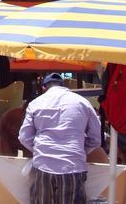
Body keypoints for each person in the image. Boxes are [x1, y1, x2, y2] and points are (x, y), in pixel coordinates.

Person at [18, 73, 103, 204]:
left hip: (43, 166)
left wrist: (40, 149)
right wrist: (79, 150)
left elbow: (24, 137)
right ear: (63, 86)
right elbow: (96, 139)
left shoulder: (35, 103)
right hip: (73, 167)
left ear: (44, 88)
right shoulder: (83, 103)